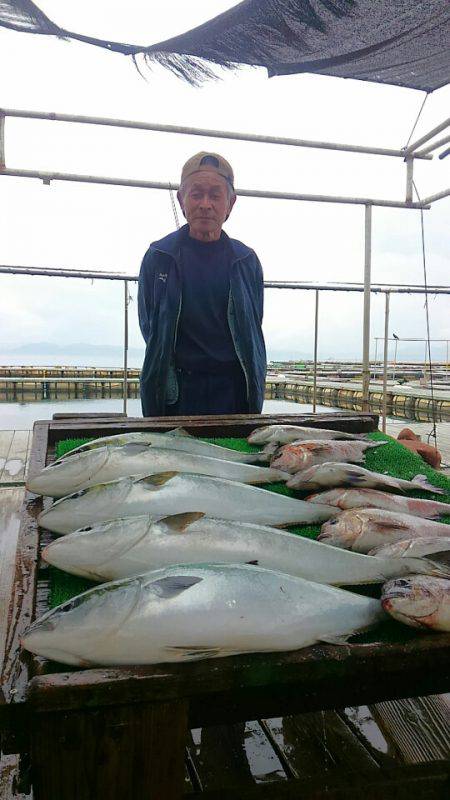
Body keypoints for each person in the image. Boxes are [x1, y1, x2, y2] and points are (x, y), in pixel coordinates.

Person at [138, 151, 266, 416]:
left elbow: (253, 324)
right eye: (196, 194)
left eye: (215, 195)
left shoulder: (246, 261)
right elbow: (150, 327)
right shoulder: (159, 257)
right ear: (181, 200)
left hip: (234, 392)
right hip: (176, 394)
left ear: (230, 204)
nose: (205, 204)